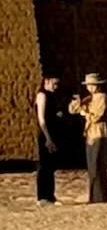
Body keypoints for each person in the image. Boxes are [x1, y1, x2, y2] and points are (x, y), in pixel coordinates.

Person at [68, 73, 107, 204]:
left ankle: (100, 197)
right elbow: (72, 110)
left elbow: (97, 116)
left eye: (92, 85)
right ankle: (94, 197)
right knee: (92, 168)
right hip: (90, 134)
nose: (90, 88)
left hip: (98, 133)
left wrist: (85, 113)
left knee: (97, 167)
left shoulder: (102, 98)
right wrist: (77, 103)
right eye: (88, 86)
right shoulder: (89, 98)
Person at [34, 72, 64, 205]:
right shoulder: (42, 95)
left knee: (51, 166)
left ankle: (50, 195)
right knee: (45, 166)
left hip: (53, 134)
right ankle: (42, 197)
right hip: (46, 136)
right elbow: (42, 120)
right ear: (46, 81)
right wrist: (48, 139)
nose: (56, 86)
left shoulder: (52, 96)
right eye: (54, 83)